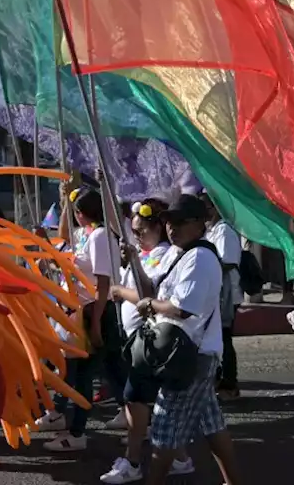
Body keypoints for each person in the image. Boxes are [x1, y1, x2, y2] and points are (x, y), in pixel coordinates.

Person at [133, 194, 240, 485]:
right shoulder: (178, 253)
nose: (171, 228)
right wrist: (132, 259)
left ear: (198, 224)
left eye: (179, 222)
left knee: (164, 429)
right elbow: (150, 287)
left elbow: (182, 308)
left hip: (192, 355)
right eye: (168, 222)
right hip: (189, 353)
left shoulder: (201, 257)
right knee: (212, 424)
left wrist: (150, 305)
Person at [100, 199, 195, 484]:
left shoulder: (164, 254)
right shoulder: (145, 250)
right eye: (134, 231)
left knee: (136, 400)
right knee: (155, 406)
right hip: (139, 342)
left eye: (142, 231)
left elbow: (148, 292)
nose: (137, 236)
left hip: (152, 342)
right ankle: (180, 458)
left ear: (158, 228)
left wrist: (121, 289)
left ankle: (133, 462)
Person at [44, 188, 125, 452]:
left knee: (85, 374)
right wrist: (65, 201)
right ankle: (134, 417)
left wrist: (96, 322)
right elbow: (65, 238)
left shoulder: (101, 236)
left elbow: (103, 283)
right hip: (87, 310)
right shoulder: (86, 235)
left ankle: (77, 432)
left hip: (96, 311)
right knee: (114, 369)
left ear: (85, 214)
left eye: (76, 212)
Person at [200, 192, 243, 401]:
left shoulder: (224, 230)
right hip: (215, 293)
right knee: (217, 339)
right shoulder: (211, 230)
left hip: (227, 295)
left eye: (208, 206)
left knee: (225, 339)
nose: (206, 211)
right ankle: (217, 379)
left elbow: (228, 261)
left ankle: (229, 384)